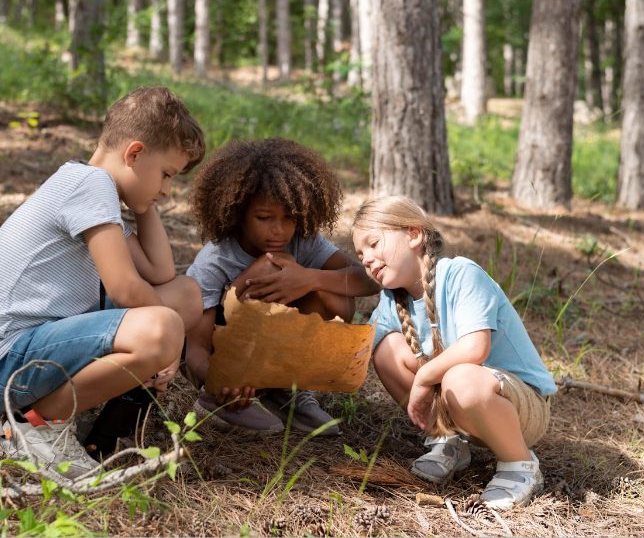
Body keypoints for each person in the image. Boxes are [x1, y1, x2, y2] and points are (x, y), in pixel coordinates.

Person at [0, 87, 206, 478]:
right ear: (135, 154)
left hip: (29, 349)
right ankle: (32, 429)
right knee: (163, 326)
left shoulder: (97, 193)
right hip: (1, 364)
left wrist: (145, 204)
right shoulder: (88, 186)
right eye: (166, 175)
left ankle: (83, 423)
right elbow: (126, 289)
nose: (167, 190)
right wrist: (170, 346)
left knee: (187, 297)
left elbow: (160, 274)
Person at [350, 196, 556, 510]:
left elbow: (476, 347)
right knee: (385, 350)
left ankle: (520, 465)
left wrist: (422, 379)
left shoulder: (461, 274)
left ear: (414, 235)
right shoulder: (393, 300)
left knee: (461, 376)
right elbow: (358, 349)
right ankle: (447, 441)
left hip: (519, 407)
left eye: (374, 244)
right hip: (462, 408)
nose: (366, 259)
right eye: (360, 254)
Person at [184, 138, 379, 435]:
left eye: (289, 218)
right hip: (230, 364)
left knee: (334, 297)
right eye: (264, 218)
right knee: (260, 276)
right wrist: (218, 380)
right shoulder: (215, 260)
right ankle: (220, 401)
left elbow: (368, 279)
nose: (279, 229)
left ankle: (285, 389)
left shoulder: (302, 241)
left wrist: (308, 278)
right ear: (238, 213)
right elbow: (196, 348)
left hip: (277, 355)